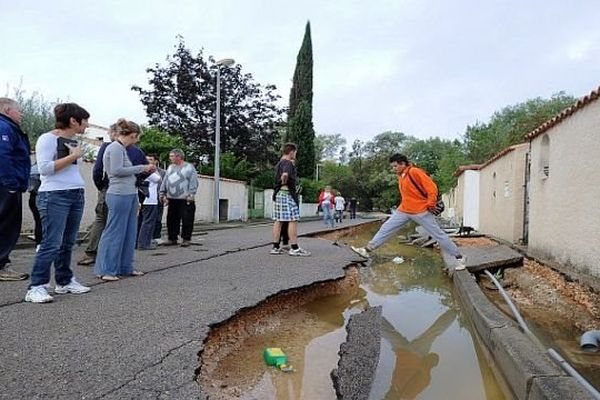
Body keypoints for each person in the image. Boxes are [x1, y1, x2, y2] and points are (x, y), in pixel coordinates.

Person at [351, 154, 466, 271]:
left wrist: (430, 204)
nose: (393, 169)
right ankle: (366, 250)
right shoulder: (401, 176)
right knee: (386, 227)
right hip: (404, 210)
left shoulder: (414, 172)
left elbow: (432, 188)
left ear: (402, 163)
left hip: (420, 211)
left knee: (438, 235)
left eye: (395, 166)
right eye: (392, 167)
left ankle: (459, 257)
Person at [25, 103, 91, 303]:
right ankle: (36, 286)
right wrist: (73, 155)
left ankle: (64, 281)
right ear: (73, 120)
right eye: (85, 120)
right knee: (51, 243)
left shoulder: (71, 141)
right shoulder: (47, 139)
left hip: (75, 193)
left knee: (67, 242)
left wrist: (74, 154)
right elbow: (44, 169)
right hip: (54, 195)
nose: (86, 125)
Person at [77, 125, 147, 265]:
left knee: (103, 221)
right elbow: (144, 171)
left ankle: (93, 253)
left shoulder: (109, 147)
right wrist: (137, 182)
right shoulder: (136, 151)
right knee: (122, 226)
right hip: (129, 191)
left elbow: (99, 170)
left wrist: (102, 187)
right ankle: (116, 260)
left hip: (111, 190)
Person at [94, 119, 155, 281]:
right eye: (137, 137)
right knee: (114, 232)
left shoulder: (120, 149)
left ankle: (125, 267)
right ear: (133, 135)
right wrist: (142, 167)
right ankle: (107, 269)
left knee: (129, 232)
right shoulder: (114, 148)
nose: (137, 141)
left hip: (129, 193)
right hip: (118, 194)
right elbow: (116, 170)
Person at [0, 98, 31, 281]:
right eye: (19, 110)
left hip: (7, 183)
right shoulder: (4, 128)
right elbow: (2, 156)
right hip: (6, 185)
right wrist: (11, 183)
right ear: (7, 109)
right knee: (6, 225)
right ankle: (1, 266)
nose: (22, 114)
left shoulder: (8, 128)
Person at [270, 142, 310, 256]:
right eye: (295, 152)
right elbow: (285, 175)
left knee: (278, 220)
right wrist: (284, 181)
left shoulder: (280, 163)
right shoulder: (288, 162)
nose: (296, 155)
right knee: (293, 219)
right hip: (286, 195)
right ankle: (294, 248)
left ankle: (275, 247)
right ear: (292, 151)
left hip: (279, 194)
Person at [159, 149, 198, 247]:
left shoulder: (189, 167)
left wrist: (191, 194)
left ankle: (186, 238)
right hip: (172, 197)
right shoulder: (170, 167)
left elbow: (193, 181)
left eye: (172, 156)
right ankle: (172, 238)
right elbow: (165, 180)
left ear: (179, 157)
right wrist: (162, 193)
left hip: (185, 198)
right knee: (171, 219)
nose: (170, 158)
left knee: (187, 219)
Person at [137, 154, 162, 250]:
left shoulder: (139, 171)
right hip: (149, 200)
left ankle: (140, 242)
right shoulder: (148, 172)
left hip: (144, 199)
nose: (149, 162)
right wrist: (154, 169)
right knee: (148, 222)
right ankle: (144, 243)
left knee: (142, 222)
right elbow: (159, 179)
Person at [28, 161, 42, 250]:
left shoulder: (33, 168)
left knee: (38, 221)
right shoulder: (44, 168)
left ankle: (39, 243)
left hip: (33, 197)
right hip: (43, 197)